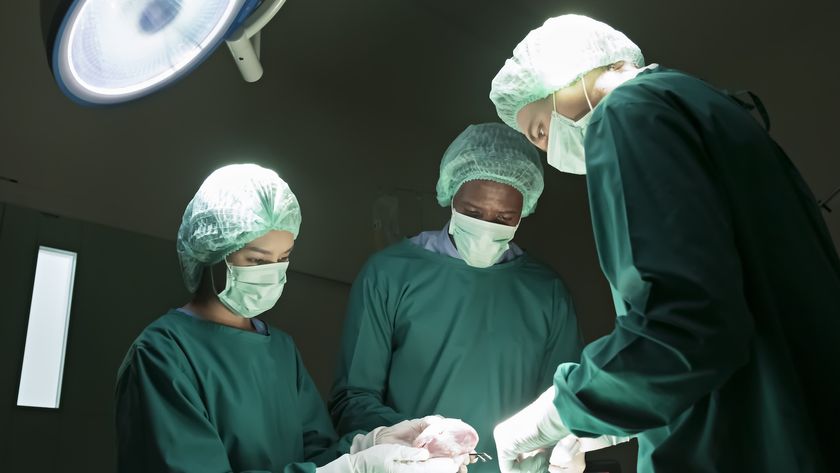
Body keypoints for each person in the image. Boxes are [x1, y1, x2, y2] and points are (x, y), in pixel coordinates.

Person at [488, 13, 840, 473]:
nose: (547, 149)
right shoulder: (705, 108)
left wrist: (559, 411)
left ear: (570, 77)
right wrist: (613, 416)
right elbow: (739, 312)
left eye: (538, 129)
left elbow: (684, 325)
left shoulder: (629, 113)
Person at [115, 163, 462, 473]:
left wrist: (372, 444)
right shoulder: (163, 355)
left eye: (284, 257)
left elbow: (317, 455)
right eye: (257, 260)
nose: (273, 273)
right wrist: (352, 471)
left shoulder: (279, 349)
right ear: (213, 253)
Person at [329, 123, 584, 473]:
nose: (486, 226)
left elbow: (563, 406)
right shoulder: (390, 274)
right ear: (451, 196)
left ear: (524, 212)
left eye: (503, 218)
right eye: (474, 213)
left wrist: (564, 449)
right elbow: (353, 399)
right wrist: (412, 441)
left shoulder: (547, 293)